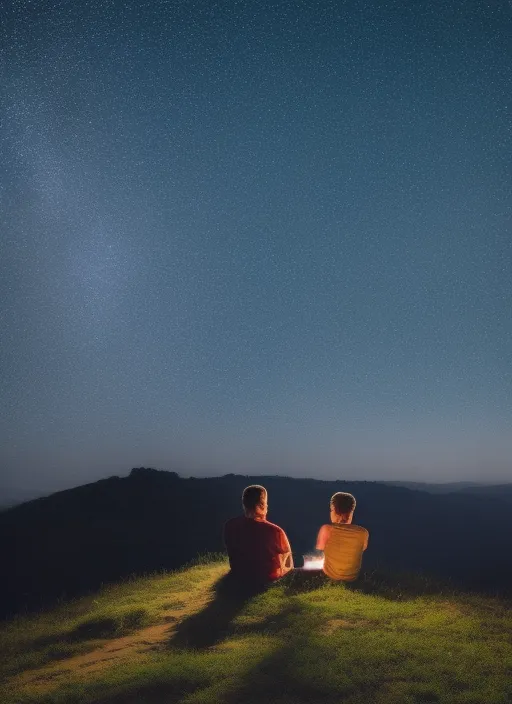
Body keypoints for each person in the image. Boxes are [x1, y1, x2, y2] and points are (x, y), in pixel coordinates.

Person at [224, 484, 293, 585]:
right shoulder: (275, 531)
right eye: (266, 503)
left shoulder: (230, 526)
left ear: (244, 505)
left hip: (239, 578)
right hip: (266, 580)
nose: (267, 506)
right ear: (262, 505)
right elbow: (289, 566)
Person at [315, 492, 369, 581]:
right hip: (352, 577)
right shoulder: (363, 532)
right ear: (351, 512)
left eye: (331, 510)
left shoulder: (327, 529)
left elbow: (320, 549)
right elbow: (362, 548)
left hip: (329, 575)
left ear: (333, 509)